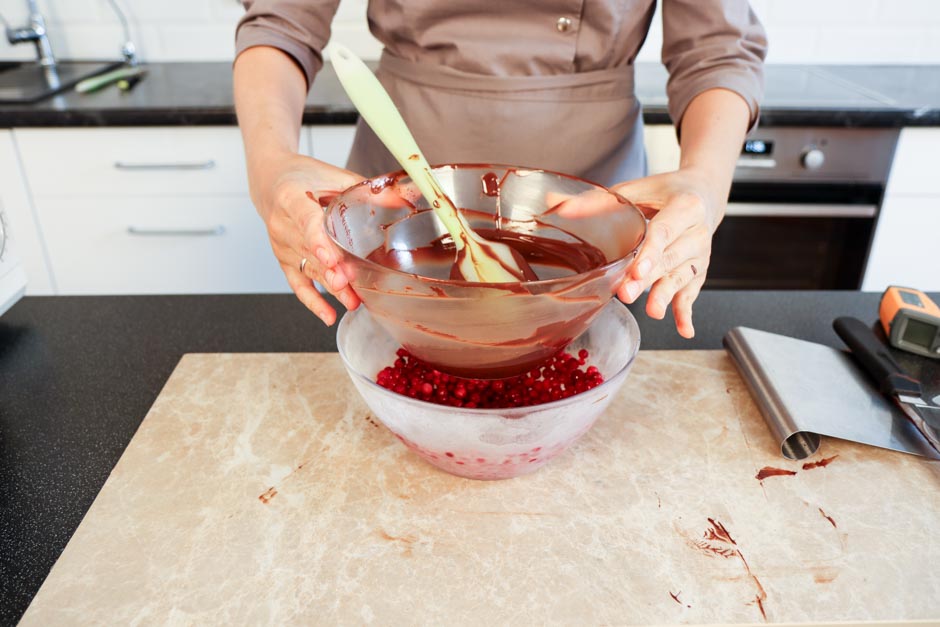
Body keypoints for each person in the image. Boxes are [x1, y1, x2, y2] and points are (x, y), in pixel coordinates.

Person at [233, 1, 767, 338]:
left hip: (597, 207)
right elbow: (281, 21)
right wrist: (270, 165)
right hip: (393, 212)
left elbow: (716, 49)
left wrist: (705, 181)